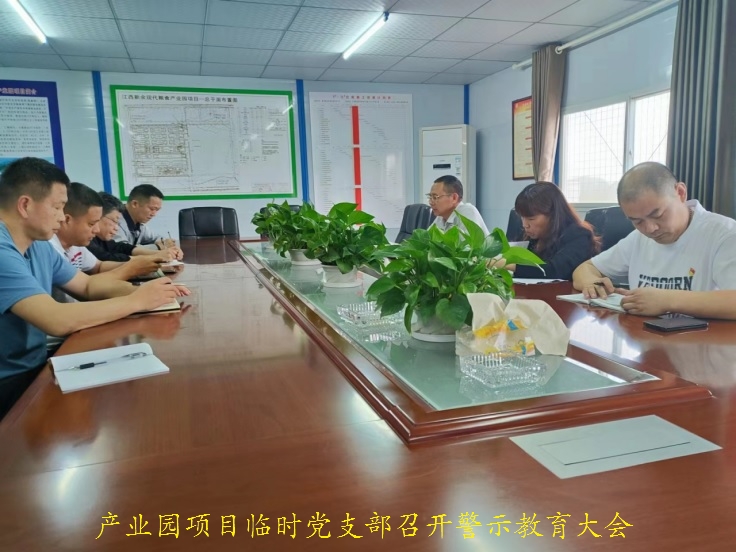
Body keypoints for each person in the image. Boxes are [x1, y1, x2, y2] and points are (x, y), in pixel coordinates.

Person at [0, 158, 185, 419]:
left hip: (34, 364)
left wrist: (154, 293)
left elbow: (87, 285)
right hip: (10, 380)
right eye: (57, 207)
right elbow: (55, 319)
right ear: (25, 205)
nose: (61, 216)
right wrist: (137, 301)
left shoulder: (38, 245)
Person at [572, 162, 736, 318]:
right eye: (637, 221)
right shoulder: (638, 238)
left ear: (680, 193)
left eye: (657, 215)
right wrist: (592, 284)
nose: (650, 229)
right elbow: (585, 269)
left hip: (705, 336)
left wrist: (666, 301)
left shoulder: (725, 234)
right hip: (642, 334)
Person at [51, 182, 166, 281]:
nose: (96, 230)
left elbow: (98, 267)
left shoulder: (75, 246)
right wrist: (135, 266)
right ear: (67, 219)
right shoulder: (52, 250)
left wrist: (142, 263)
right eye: (91, 224)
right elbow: (86, 286)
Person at [507, 181, 599, 280]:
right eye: (522, 217)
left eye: (531, 219)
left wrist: (510, 265)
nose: (525, 225)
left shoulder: (579, 235)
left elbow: (555, 270)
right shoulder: (530, 235)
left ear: (553, 215)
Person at [89, 192, 176, 262]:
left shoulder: (139, 224)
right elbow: (107, 258)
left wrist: (156, 253)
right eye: (114, 221)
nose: (116, 228)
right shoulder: (86, 241)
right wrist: (153, 256)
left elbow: (121, 248)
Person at [114, 184, 183, 259]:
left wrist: (168, 244)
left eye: (157, 210)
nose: (154, 214)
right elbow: (122, 250)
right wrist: (157, 247)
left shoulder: (138, 223)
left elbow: (156, 238)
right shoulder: (115, 221)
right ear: (135, 204)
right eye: (152, 209)